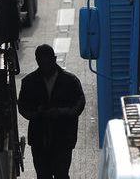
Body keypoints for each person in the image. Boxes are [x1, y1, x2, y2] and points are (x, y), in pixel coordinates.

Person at [17, 44, 86, 179]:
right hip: (39, 140)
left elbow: (79, 104)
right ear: (37, 61)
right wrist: (37, 113)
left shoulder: (70, 81)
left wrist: (61, 112)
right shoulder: (29, 82)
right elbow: (23, 107)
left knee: (61, 174)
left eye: (47, 62)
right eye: (42, 62)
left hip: (63, 139)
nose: (45, 66)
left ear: (54, 59)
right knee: (43, 175)